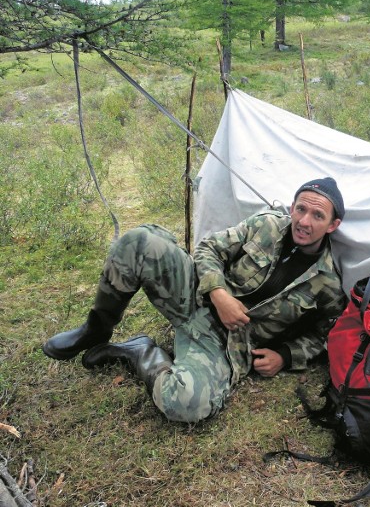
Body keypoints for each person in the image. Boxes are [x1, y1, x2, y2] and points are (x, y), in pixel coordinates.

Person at [42, 177, 347, 423]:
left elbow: (327, 335)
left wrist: (285, 355)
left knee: (185, 404)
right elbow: (208, 249)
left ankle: (139, 353)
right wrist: (219, 292)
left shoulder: (328, 282)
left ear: (332, 225)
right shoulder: (265, 225)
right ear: (292, 207)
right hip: (195, 297)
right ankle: (96, 329)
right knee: (139, 242)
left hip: (224, 344)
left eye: (317, 215)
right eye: (301, 209)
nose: (304, 221)